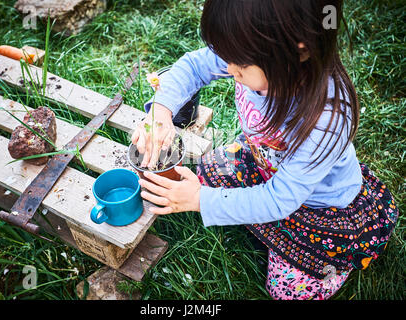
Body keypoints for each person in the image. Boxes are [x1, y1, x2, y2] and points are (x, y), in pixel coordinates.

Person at [131, 0, 399, 300]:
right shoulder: (257, 50)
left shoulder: (326, 120)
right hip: (266, 166)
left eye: (240, 64)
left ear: (298, 50)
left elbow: (281, 198)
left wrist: (200, 201)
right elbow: (195, 66)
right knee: (208, 171)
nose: (228, 69)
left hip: (319, 207)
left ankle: (331, 268)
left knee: (286, 292)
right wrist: (161, 111)